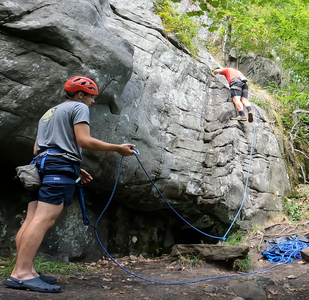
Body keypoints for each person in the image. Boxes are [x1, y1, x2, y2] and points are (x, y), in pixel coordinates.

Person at [2, 76, 135, 293]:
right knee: (44, 219)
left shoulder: (49, 113)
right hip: (58, 167)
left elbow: (38, 149)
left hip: (42, 165)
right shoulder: (78, 107)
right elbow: (84, 140)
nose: (92, 102)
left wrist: (73, 165)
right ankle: (22, 274)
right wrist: (117, 148)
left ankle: (26, 270)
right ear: (81, 94)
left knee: (31, 219)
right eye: (91, 98)